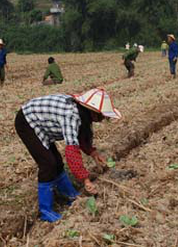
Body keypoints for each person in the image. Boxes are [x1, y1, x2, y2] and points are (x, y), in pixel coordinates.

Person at [15, 88, 121, 222]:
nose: (102, 119)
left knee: (57, 162)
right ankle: (45, 210)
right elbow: (72, 151)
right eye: (102, 116)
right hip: (27, 121)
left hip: (42, 123)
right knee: (48, 164)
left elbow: (81, 136)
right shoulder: (71, 115)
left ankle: (69, 194)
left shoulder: (83, 114)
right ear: (93, 112)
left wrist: (93, 153)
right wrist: (85, 179)